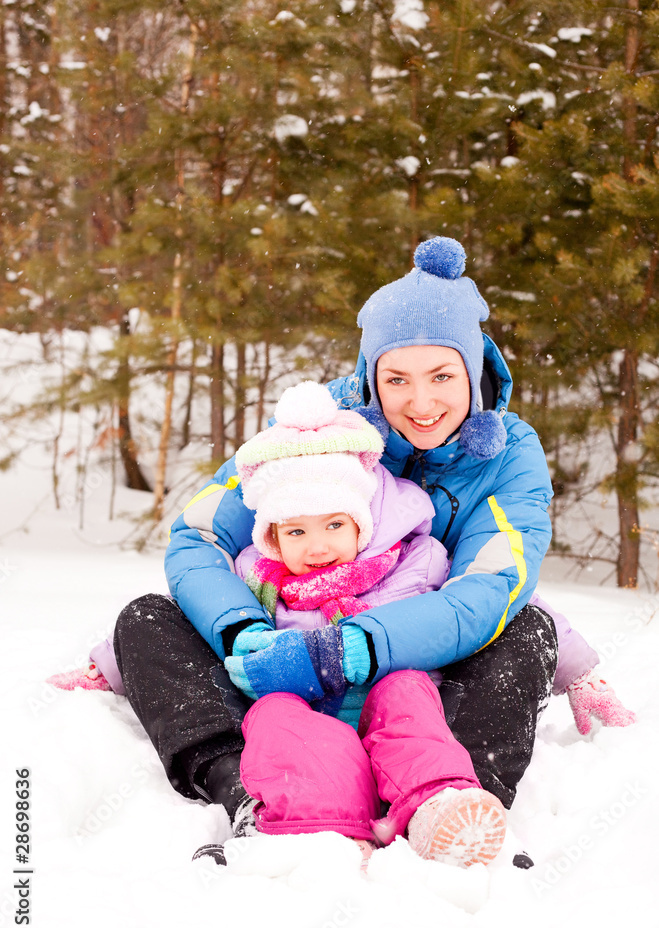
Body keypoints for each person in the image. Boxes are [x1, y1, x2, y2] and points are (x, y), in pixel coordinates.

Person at [50, 236, 635, 858]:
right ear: (370, 376)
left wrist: (354, 649)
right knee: (148, 616)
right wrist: (242, 632)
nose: (421, 401)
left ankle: (455, 801)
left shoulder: (509, 454)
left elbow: (488, 592)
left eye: (442, 376)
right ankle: (245, 789)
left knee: (527, 630)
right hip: (280, 660)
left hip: (421, 674)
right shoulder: (315, 428)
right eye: (396, 378)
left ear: (473, 369)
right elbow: (200, 535)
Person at [213, 378, 507, 868]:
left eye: (334, 526)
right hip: (310, 712)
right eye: (296, 531)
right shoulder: (255, 578)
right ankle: (325, 824)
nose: (318, 546)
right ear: (273, 538)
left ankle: (436, 802)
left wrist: (579, 668)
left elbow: (502, 598)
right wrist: (111, 663)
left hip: (386, 700)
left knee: (408, 690)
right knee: (276, 711)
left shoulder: (413, 562)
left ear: (360, 525)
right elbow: (194, 621)